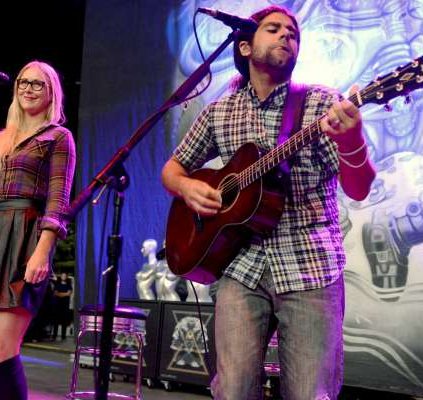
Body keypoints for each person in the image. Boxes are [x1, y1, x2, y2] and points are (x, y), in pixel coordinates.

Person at [161, 5, 376, 399]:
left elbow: (359, 188)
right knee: (233, 391)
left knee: (311, 394)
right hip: (239, 265)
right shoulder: (220, 111)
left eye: (292, 33)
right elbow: (172, 170)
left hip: (309, 266)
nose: (286, 36)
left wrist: (352, 139)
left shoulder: (319, 104)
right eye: (273, 29)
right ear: (244, 46)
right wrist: (187, 189)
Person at [0, 60, 76, 400]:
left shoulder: (58, 137)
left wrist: (42, 251)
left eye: (37, 83)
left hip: (24, 235)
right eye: (23, 82)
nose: (28, 88)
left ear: (51, 93)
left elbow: (57, 201)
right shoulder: (3, 138)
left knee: (4, 348)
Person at [51, 272, 72, 341]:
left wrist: (60, 294)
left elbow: (69, 293)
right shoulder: (57, 284)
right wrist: (64, 294)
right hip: (57, 305)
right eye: (62, 275)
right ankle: (54, 336)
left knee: (64, 321)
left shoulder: (69, 285)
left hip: (65, 306)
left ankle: (63, 336)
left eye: (64, 276)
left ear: (66, 277)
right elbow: (55, 293)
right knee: (55, 321)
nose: (63, 276)